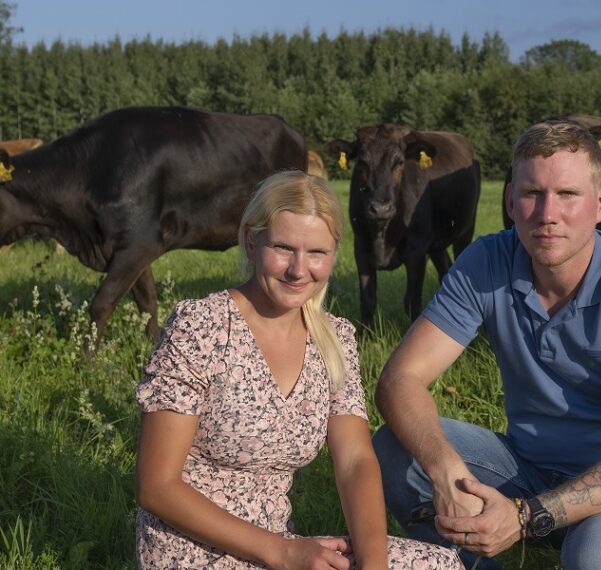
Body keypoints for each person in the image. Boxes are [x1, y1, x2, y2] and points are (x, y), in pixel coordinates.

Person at [373, 121, 601, 569]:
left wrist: (525, 518)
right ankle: (474, 562)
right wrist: (445, 471)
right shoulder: (486, 261)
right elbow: (399, 379)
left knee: (597, 559)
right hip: (528, 465)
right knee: (393, 449)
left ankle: (579, 538)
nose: (547, 214)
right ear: (508, 201)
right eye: (532, 194)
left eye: (567, 195)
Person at [134, 171, 462, 570]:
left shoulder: (334, 340)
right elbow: (157, 487)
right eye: (283, 248)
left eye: (316, 254)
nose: (297, 270)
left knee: (439, 565)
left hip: (284, 547)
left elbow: (356, 461)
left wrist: (374, 564)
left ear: (334, 255)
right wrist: (283, 552)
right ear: (252, 242)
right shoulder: (201, 327)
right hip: (192, 550)